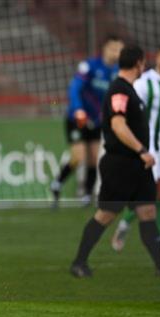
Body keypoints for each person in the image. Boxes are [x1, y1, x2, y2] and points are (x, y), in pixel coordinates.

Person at [69, 44, 160, 278]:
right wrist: (142, 149)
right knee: (105, 215)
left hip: (137, 166)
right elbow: (117, 124)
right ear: (138, 64)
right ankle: (79, 262)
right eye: (143, 63)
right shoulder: (120, 90)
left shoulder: (128, 89)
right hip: (121, 164)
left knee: (148, 212)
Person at [112, 42, 160, 257]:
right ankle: (124, 225)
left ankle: (159, 242)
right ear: (158, 58)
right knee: (147, 195)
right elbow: (131, 114)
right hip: (147, 146)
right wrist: (135, 147)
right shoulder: (144, 83)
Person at [51, 36, 124, 208]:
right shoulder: (90, 66)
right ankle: (57, 184)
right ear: (105, 49)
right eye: (113, 48)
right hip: (77, 118)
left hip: (98, 121)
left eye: (119, 49)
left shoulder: (118, 72)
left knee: (93, 158)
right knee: (78, 157)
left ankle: (87, 194)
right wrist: (78, 109)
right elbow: (75, 87)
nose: (116, 52)